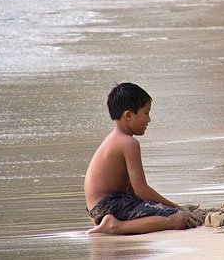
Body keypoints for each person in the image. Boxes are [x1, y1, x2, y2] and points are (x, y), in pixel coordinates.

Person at [84, 82, 201, 234]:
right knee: (178, 219)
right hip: (111, 205)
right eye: (146, 113)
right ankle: (114, 226)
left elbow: (134, 191)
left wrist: (166, 207)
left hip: (99, 209)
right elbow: (141, 190)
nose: (149, 120)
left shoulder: (115, 139)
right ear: (128, 115)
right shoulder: (128, 143)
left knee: (170, 213)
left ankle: (114, 223)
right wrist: (178, 208)